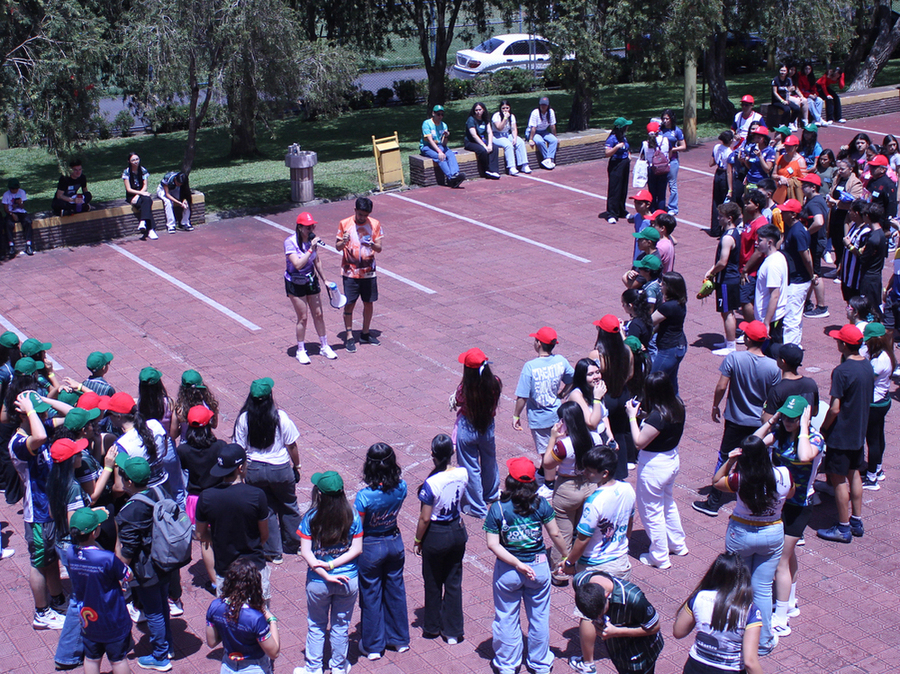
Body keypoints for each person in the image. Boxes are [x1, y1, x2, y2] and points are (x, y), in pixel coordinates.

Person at [484, 457, 568, 674]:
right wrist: (567, 556)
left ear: (510, 481)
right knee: (539, 617)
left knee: (506, 617)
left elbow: (493, 544)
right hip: (538, 569)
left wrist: (517, 564)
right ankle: (540, 663)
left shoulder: (498, 509)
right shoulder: (541, 504)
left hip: (508, 571)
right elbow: (556, 533)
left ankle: (507, 664)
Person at [713, 435, 793, 656]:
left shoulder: (739, 478)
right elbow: (792, 493)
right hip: (772, 532)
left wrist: (729, 461)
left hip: (742, 532)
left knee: (737, 585)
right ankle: (764, 641)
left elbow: (717, 481)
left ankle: (732, 637)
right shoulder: (783, 475)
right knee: (763, 589)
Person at [694, 320, 781, 518]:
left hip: (734, 420)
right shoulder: (774, 367)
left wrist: (715, 405)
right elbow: (773, 397)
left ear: (748, 339)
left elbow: (721, 386)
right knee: (758, 461)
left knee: (726, 457)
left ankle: (713, 502)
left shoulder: (734, 358)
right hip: (759, 423)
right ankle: (760, 502)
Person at [757, 396, 823, 638]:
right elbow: (753, 443)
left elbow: (805, 456)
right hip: (780, 502)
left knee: (780, 560)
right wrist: (772, 420)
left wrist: (804, 427)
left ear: (804, 418)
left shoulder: (814, 439)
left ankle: (781, 618)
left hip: (799, 506)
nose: (787, 422)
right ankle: (790, 601)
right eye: (785, 416)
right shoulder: (780, 432)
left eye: (792, 418)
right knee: (788, 554)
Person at [9, 391, 67, 630]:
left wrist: (44, 401)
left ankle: (58, 600)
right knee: (39, 562)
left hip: (52, 509)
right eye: (38, 411)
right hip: (39, 513)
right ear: (24, 415)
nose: (45, 414)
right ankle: (42, 613)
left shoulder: (41, 424)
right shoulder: (20, 442)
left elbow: (75, 415)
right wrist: (32, 410)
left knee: (52, 560)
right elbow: (40, 436)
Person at [296, 471, 362, 674]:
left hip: (318, 581)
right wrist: (333, 568)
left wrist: (325, 572)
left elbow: (306, 553)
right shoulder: (352, 515)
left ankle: (314, 668)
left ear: (321, 494)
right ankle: (338, 667)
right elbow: (356, 549)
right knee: (341, 626)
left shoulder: (310, 518)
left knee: (316, 625)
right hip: (347, 579)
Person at [232, 377, 302, 563]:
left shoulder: (244, 419)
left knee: (267, 509)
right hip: (280, 469)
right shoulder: (280, 417)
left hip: (254, 470)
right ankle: (294, 544)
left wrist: (240, 473)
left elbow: (239, 448)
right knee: (289, 504)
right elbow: (292, 445)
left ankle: (273, 551)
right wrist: (297, 465)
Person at [114, 455, 174, 671]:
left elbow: (127, 549)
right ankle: (168, 647)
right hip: (166, 561)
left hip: (147, 569)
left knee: (153, 611)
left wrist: (118, 571)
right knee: (162, 606)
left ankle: (160, 656)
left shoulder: (131, 510)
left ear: (129, 482)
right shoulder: (159, 491)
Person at [625, 371, 687, 570]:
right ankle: (678, 544)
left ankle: (659, 556)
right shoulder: (677, 404)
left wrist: (632, 417)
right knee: (667, 503)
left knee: (651, 511)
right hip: (671, 460)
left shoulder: (658, 417)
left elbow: (638, 442)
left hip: (654, 467)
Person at [817, 325, 874, 544]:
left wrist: (823, 428)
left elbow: (834, 408)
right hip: (859, 431)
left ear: (843, 345)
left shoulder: (842, 371)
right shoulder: (867, 367)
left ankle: (842, 527)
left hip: (841, 434)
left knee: (839, 479)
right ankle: (856, 520)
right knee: (855, 473)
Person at [354, 442, 410, 659]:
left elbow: (358, 527)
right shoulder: (402, 487)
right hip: (394, 541)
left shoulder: (364, 497)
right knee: (396, 590)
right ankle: (399, 639)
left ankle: (373, 645)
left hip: (371, 545)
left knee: (371, 593)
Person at [195, 443, 270, 598]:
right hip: (254, 568)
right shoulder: (257, 495)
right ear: (240, 468)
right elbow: (264, 535)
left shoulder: (206, 497)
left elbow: (200, 534)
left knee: (229, 619)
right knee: (259, 617)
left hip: (225, 569)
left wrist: (218, 537)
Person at [542, 401, 604, 584]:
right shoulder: (596, 437)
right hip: (589, 485)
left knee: (563, 532)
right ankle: (579, 565)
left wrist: (553, 437)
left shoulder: (564, 446)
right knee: (582, 529)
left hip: (567, 489)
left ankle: (560, 571)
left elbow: (547, 463)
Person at [413, 434, 468, 643]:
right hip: (456, 530)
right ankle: (453, 631)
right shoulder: (463, 473)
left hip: (436, 534)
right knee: (453, 582)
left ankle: (432, 627)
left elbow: (425, 518)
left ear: (432, 455)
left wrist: (418, 540)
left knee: (433, 581)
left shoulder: (430, 483)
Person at [567, 555, 664, 674]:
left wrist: (617, 632)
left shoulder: (634, 598)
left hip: (640, 654)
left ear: (607, 596)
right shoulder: (580, 581)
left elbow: (655, 627)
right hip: (617, 650)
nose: (599, 619)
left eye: (600, 614)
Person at [67, 507, 133, 674]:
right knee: (118, 660)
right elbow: (127, 575)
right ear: (94, 532)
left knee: (91, 658)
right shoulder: (107, 558)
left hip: (87, 618)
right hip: (112, 617)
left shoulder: (70, 553)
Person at [672, 552, 763, 674]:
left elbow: (678, 632)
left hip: (696, 666)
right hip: (730, 670)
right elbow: (750, 662)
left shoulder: (699, 597)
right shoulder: (750, 610)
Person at [561, 446, 635, 583]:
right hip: (621, 561)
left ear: (604, 473)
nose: (584, 473)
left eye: (589, 471)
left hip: (595, 566)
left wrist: (569, 563)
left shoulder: (594, 502)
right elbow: (629, 523)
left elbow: (583, 539)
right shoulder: (628, 489)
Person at [176, 406, 226, 585]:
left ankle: (214, 582)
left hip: (196, 499)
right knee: (223, 536)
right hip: (219, 496)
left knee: (205, 541)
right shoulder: (220, 446)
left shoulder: (183, 450)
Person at [452, 347, 502, 518]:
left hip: (467, 427)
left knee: (469, 467)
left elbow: (458, 401)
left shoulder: (465, 387)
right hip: (487, 426)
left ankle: (477, 507)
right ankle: (491, 494)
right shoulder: (495, 383)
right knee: (489, 461)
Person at [207, 558, 280, 674]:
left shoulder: (214, 606)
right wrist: (272, 620)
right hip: (255, 668)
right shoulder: (255, 618)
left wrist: (228, 627)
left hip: (228, 666)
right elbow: (274, 652)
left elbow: (212, 642)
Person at [285, 212, 337, 364]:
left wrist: (325, 280)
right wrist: (309, 249)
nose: (311, 229)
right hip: (295, 281)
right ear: (300, 228)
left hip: (310, 279)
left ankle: (324, 346)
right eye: (308, 227)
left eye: (312, 226)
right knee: (303, 317)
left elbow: (317, 261)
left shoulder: (312, 240)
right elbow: (298, 264)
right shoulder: (290, 242)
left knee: (319, 314)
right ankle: (301, 350)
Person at [513, 326, 574, 456]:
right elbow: (573, 379)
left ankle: (548, 475)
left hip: (539, 418)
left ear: (539, 344)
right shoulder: (560, 361)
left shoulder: (530, 367)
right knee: (561, 449)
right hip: (557, 415)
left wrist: (516, 415)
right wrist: (563, 394)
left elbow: (522, 397)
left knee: (546, 454)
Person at [335, 197, 384, 352]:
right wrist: (343, 241)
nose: (362, 218)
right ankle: (349, 336)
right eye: (360, 214)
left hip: (368, 272)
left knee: (368, 302)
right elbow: (337, 247)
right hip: (350, 272)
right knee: (350, 303)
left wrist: (373, 245)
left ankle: (365, 332)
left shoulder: (374, 224)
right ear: (354, 210)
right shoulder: (345, 224)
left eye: (365, 215)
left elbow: (379, 248)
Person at [705, 203, 742, 355]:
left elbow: (723, 261)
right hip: (729, 277)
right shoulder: (734, 233)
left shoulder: (727, 238)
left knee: (727, 312)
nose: (718, 218)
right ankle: (728, 341)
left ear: (729, 218)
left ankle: (731, 346)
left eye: (721, 216)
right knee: (726, 311)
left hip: (727, 279)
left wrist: (711, 272)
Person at [778, 199, 814, 346]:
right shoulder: (790, 227)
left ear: (793, 214)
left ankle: (790, 348)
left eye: (785, 212)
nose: (781, 213)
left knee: (791, 317)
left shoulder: (798, 232)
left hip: (798, 281)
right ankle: (795, 345)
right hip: (793, 279)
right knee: (795, 315)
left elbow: (806, 257)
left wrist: (812, 276)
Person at [861, 323, 893, 489]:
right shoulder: (886, 354)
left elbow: (865, 379)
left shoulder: (879, 361)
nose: (865, 343)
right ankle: (878, 469)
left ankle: (872, 477)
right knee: (879, 437)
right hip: (882, 401)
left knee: (872, 440)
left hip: (874, 405)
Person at [761, 343, 819, 424]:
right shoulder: (811, 384)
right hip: (804, 432)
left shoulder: (777, 390)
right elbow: (814, 412)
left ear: (782, 362)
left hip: (784, 435)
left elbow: (767, 421)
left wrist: (763, 412)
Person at [649, 272, 688, 392]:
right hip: (679, 346)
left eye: (663, 283)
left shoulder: (667, 307)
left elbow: (649, 322)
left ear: (670, 288)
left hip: (669, 349)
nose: (660, 285)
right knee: (671, 382)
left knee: (652, 381)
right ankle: (676, 408)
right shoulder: (679, 303)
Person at [799, 174, 830, 319]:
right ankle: (807, 302)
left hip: (815, 242)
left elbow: (819, 222)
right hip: (819, 240)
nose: (802, 187)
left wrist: (806, 232)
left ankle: (822, 307)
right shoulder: (817, 200)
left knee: (815, 273)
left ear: (813, 187)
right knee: (810, 272)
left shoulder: (813, 203)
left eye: (805, 185)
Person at [826, 159, 863, 277]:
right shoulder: (838, 179)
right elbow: (833, 192)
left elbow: (854, 202)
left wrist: (835, 202)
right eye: (839, 169)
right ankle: (838, 267)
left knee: (844, 243)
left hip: (846, 218)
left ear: (850, 169)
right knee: (836, 243)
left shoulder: (855, 183)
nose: (840, 171)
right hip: (835, 216)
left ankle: (843, 272)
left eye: (843, 169)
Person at [753, 225, 788, 344]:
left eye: (760, 240)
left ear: (770, 242)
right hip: (772, 318)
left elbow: (775, 295)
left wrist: (766, 322)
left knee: (771, 354)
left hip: (771, 319)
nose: (757, 243)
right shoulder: (778, 257)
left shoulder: (772, 265)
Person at [421, 105, 465, 188]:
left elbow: (444, 144)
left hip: (439, 145)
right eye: (438, 114)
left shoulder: (444, 125)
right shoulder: (427, 124)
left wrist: (446, 136)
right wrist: (439, 151)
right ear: (433, 113)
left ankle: (455, 174)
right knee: (440, 157)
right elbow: (430, 140)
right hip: (427, 147)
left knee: (450, 154)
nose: (440, 116)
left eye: (442, 114)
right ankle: (451, 178)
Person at [599, 118, 633, 223]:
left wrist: (629, 155)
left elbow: (627, 148)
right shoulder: (612, 139)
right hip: (616, 164)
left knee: (623, 188)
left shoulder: (623, 137)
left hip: (624, 163)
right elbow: (607, 153)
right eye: (626, 126)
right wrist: (616, 148)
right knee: (615, 189)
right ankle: (611, 213)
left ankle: (621, 210)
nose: (628, 127)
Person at [172, 369, 219, 441]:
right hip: (206, 442)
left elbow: (173, 434)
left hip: (186, 445)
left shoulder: (180, 409)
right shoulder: (209, 404)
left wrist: (182, 429)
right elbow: (214, 425)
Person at [491, 100, 531, 175]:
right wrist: (505, 118)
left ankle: (524, 165)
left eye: (507, 108)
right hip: (496, 136)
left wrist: (515, 138)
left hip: (507, 134)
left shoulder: (512, 116)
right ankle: (511, 167)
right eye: (503, 108)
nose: (505, 110)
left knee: (520, 142)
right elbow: (499, 127)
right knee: (508, 145)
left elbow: (514, 128)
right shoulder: (496, 116)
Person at [659, 109, 687, 215]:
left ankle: (673, 207)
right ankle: (660, 205)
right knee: (661, 183)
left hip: (673, 160)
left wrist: (671, 149)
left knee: (672, 184)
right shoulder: (660, 130)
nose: (665, 121)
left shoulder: (677, 131)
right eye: (664, 118)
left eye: (667, 118)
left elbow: (683, 146)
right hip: (661, 161)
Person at [122, 152, 155, 240]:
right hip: (131, 195)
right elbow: (128, 189)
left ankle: (143, 221)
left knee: (147, 200)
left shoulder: (143, 170)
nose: (136, 161)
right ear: (129, 161)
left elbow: (145, 186)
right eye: (133, 160)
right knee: (147, 203)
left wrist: (139, 195)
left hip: (141, 193)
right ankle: (151, 229)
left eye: (137, 159)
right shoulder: (127, 172)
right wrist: (137, 195)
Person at [464, 101, 501, 179]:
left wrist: (490, 144)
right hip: (470, 142)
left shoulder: (485, 119)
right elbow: (474, 135)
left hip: (481, 140)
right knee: (482, 150)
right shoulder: (471, 120)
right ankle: (487, 170)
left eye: (480, 110)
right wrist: (484, 146)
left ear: (483, 110)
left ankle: (494, 170)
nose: (478, 112)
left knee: (494, 148)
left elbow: (490, 132)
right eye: (476, 110)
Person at [709, 130, 735, 236]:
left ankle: (714, 229)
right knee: (726, 203)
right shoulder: (729, 152)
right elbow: (729, 172)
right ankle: (725, 228)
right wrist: (730, 188)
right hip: (724, 175)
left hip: (717, 174)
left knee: (716, 201)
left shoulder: (716, 147)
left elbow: (711, 163)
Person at [641, 122, 670, 212]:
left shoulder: (645, 143)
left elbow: (643, 157)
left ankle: (652, 211)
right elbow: (669, 151)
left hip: (651, 169)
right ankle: (661, 212)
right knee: (661, 193)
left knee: (652, 193)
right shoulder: (665, 140)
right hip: (663, 169)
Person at [2, 177, 34, 257]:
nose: (14, 191)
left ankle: (28, 244)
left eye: (16, 189)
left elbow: (23, 207)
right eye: (13, 189)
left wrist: (20, 203)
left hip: (21, 212)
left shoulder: (22, 192)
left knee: (28, 222)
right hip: (11, 213)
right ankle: (11, 245)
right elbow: (5, 208)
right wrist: (11, 214)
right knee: (8, 224)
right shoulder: (6, 195)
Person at [772, 136, 807, 203]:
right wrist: (780, 177)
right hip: (780, 192)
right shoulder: (780, 158)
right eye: (786, 145)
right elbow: (773, 175)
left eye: (790, 146)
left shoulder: (800, 161)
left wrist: (788, 181)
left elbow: (803, 179)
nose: (787, 148)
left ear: (796, 147)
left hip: (792, 193)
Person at [526, 96, 558, 170]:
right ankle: (547, 158)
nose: (543, 107)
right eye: (541, 105)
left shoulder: (551, 112)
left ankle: (549, 159)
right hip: (532, 132)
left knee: (554, 140)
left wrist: (555, 136)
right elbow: (533, 128)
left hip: (543, 131)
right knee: (540, 141)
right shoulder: (535, 112)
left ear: (548, 105)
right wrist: (530, 139)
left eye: (545, 105)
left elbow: (552, 126)